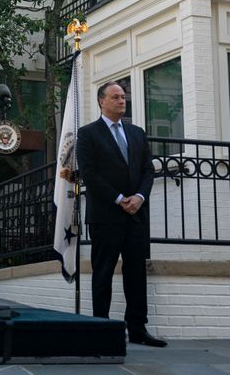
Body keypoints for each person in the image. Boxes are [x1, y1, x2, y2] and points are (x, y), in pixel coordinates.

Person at [76, 81, 167, 347]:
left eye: (123, 97)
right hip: (106, 215)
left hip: (136, 215)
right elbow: (90, 174)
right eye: (115, 97)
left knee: (136, 273)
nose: (121, 101)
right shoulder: (88, 134)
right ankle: (101, 329)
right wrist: (118, 199)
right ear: (101, 101)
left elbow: (148, 171)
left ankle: (137, 329)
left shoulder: (137, 133)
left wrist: (139, 197)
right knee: (103, 273)